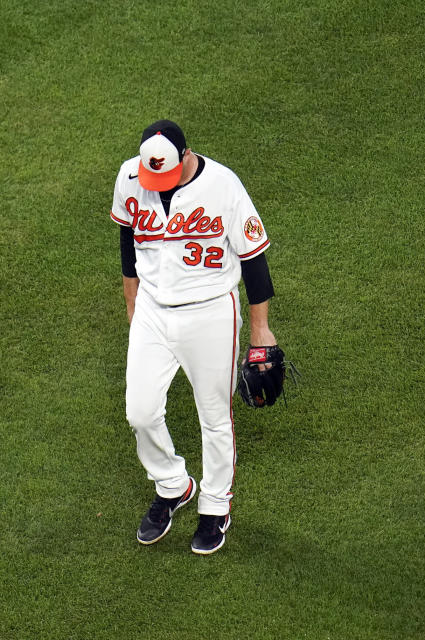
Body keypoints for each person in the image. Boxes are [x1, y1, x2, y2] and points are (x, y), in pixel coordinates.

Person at [110, 120, 279, 554]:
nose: (157, 185)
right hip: (152, 310)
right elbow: (128, 241)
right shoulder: (131, 177)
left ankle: (215, 506)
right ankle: (172, 485)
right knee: (140, 412)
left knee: (214, 417)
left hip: (210, 313)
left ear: (186, 156)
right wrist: (133, 306)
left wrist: (261, 331)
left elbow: (254, 260)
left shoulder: (224, 185)